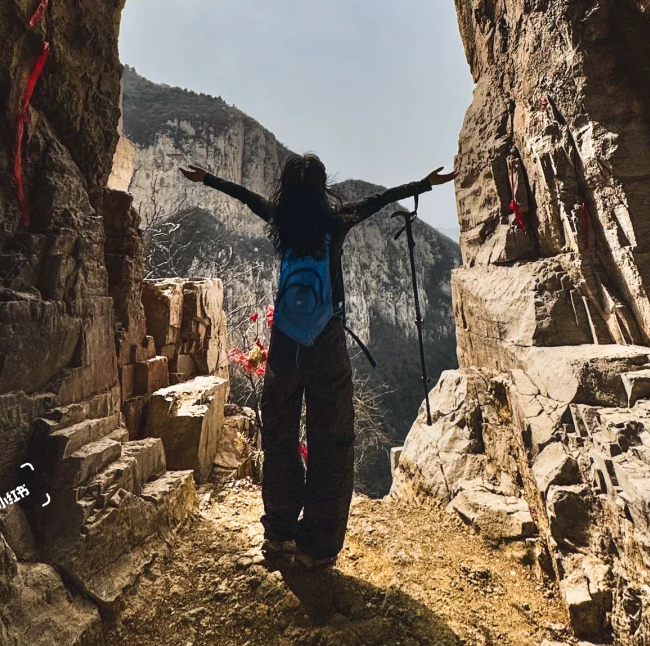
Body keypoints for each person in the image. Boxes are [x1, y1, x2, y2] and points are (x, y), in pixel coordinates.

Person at [178, 153, 456, 570]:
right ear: (324, 187)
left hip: (286, 339)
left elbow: (245, 196)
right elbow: (381, 200)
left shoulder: (281, 218)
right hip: (326, 338)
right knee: (332, 439)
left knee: (280, 433)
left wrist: (208, 178)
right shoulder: (336, 221)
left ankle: (278, 534)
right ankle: (319, 546)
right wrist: (423, 183)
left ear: (287, 189)